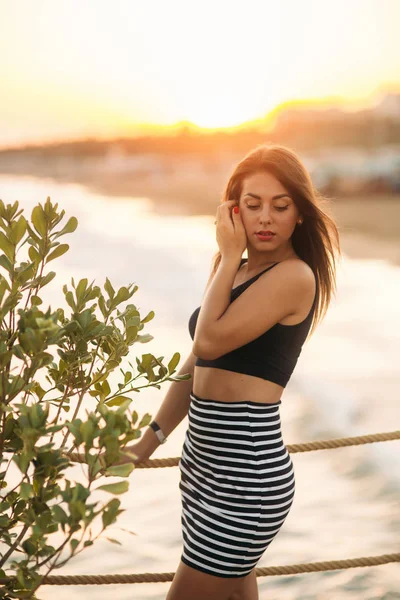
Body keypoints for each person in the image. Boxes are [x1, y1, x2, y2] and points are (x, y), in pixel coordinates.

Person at [121, 143, 341, 600]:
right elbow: (197, 361)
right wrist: (151, 438)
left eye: (280, 206)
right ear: (233, 209)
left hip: (247, 480)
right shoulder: (233, 269)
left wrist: (225, 255)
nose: (265, 218)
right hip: (202, 467)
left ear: (299, 213)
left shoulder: (294, 277)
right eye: (252, 204)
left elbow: (208, 340)